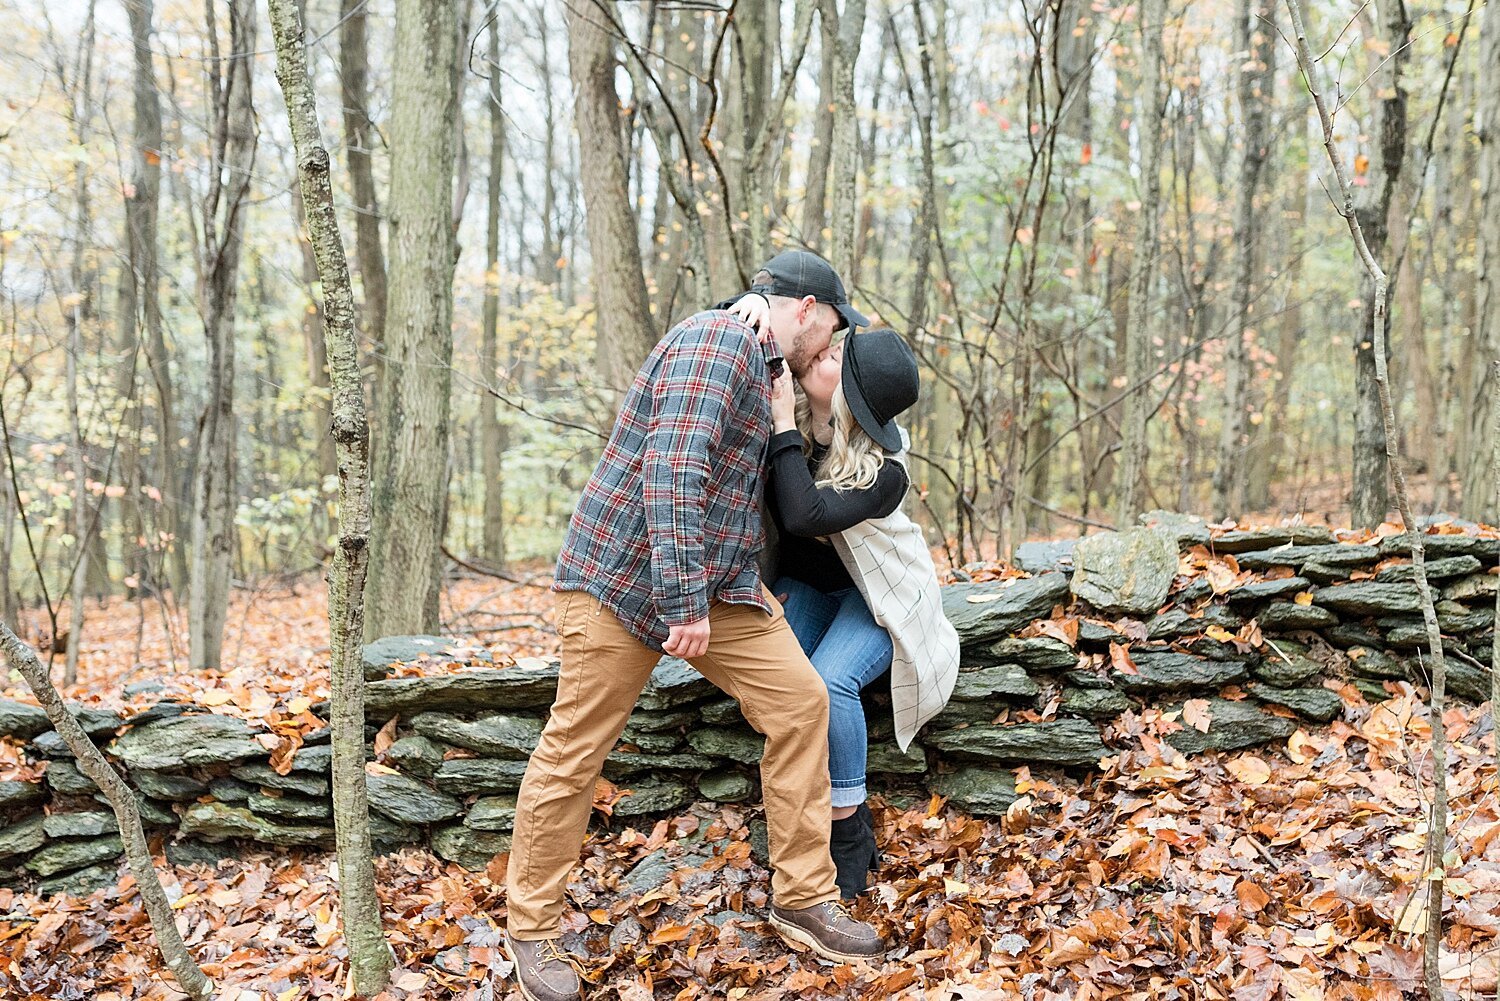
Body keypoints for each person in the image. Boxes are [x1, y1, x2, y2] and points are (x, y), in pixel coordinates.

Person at [503, 250, 888, 1001]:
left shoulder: (762, 358)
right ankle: (532, 929)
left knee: (803, 701)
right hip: (621, 581)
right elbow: (673, 470)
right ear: (806, 309)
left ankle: (803, 896)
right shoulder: (718, 343)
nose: (831, 350)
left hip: (717, 585)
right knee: (576, 748)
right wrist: (681, 602)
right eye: (833, 330)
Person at [724, 294, 961, 899]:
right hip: (808, 588)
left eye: (831, 356)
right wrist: (753, 298)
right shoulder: (800, 410)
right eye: (830, 346)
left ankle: (847, 827)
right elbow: (743, 327)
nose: (820, 352)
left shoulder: (886, 472)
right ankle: (796, 811)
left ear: (849, 399)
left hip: (876, 597)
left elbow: (805, 515)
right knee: (774, 683)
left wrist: (779, 425)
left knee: (829, 682)